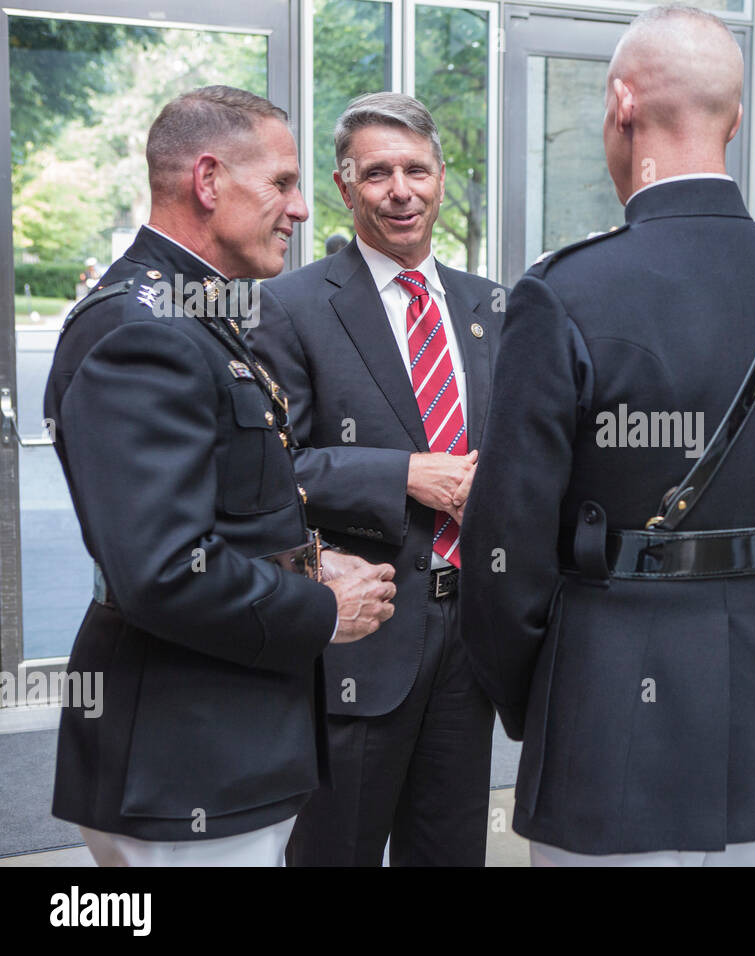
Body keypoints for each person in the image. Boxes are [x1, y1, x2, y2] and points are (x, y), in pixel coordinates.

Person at [459, 4, 755, 866]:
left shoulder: (562, 292)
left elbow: (504, 547)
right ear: (734, 118)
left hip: (605, 716)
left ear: (622, 105)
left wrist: (542, 687)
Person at [43, 85, 397, 867]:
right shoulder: (143, 331)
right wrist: (320, 606)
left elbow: (219, 517)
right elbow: (163, 571)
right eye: (281, 183)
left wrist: (303, 559)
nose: (301, 208)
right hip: (184, 756)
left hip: (218, 739)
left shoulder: (190, 313)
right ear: (208, 181)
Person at [247, 93, 504, 866]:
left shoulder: (492, 304)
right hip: (359, 641)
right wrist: (402, 475)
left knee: (451, 850)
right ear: (344, 186)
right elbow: (270, 468)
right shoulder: (288, 308)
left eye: (416, 169)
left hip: (472, 642)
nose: (402, 189)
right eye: (379, 172)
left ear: (442, 178)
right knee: (337, 851)